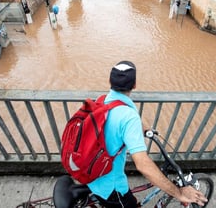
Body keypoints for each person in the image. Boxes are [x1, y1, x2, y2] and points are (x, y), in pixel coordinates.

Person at [88, 60, 208, 207]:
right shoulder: (128, 116)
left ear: (109, 81)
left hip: (90, 169)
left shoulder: (102, 100)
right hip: (110, 186)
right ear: (134, 84)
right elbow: (143, 165)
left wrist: (144, 129)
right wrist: (179, 193)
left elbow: (121, 121)